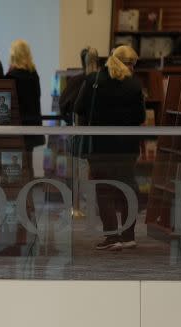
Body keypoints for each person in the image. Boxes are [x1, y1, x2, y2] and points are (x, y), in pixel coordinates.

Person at [74, 45, 146, 251]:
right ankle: (129, 236)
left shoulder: (94, 81)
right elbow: (141, 116)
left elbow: (79, 108)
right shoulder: (134, 85)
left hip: (99, 145)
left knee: (103, 190)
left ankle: (112, 237)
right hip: (127, 147)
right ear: (130, 64)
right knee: (127, 190)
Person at [4, 39, 44, 172]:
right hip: (32, 126)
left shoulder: (11, 77)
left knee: (14, 165)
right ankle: (30, 191)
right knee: (28, 163)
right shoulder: (34, 75)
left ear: (13, 55)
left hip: (16, 127)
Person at [59, 47, 100, 125]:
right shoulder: (103, 80)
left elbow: (62, 105)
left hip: (77, 127)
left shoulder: (74, 81)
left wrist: (70, 121)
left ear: (82, 62)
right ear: (98, 61)